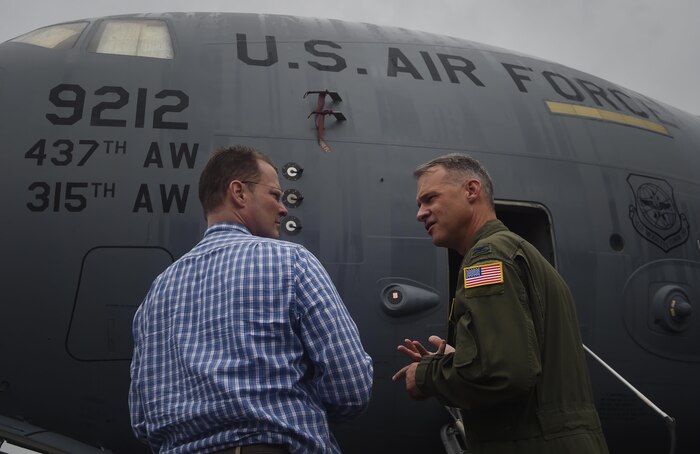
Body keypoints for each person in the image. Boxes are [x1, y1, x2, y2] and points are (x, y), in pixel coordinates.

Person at [129, 145, 373, 454]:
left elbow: (141, 420)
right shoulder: (292, 263)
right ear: (239, 193)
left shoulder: (156, 293)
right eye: (274, 195)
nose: (283, 208)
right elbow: (350, 387)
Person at [392, 153, 608, 453]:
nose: (421, 213)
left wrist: (427, 375)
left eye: (430, 199)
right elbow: (519, 357)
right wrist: (462, 356)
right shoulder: (519, 253)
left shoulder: (487, 258)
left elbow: (506, 374)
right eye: (419, 204)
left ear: (471, 190)